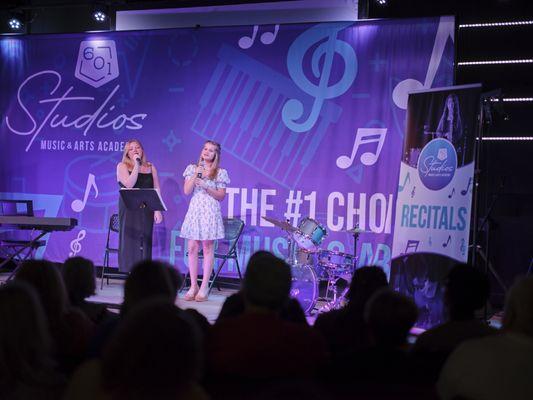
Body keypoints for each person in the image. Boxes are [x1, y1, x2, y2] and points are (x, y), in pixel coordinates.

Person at [180, 140, 229, 302]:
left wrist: (206, 186)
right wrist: (196, 174)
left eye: (211, 150)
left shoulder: (220, 172)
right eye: (205, 149)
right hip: (195, 210)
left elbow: (221, 196)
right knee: (192, 247)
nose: (207, 152)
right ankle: (193, 285)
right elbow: (187, 191)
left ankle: (204, 286)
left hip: (210, 210)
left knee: (207, 247)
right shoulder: (192, 168)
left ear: (216, 154)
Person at [116, 139, 163, 273]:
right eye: (131, 149)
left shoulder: (150, 167)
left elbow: (156, 188)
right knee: (130, 240)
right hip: (129, 208)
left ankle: (144, 272)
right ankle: (130, 272)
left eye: (138, 147)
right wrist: (136, 165)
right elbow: (129, 185)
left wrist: (157, 210)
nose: (135, 150)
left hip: (146, 208)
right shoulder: (122, 166)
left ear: (142, 150)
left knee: (145, 239)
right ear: (127, 153)